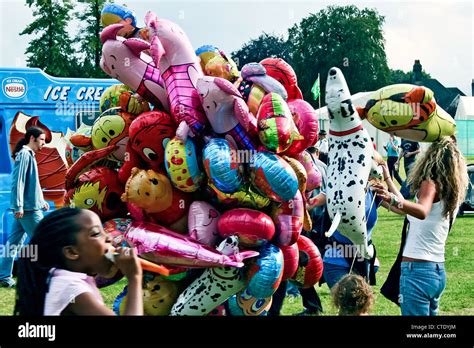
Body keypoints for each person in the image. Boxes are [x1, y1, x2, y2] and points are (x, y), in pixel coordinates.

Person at [372, 136, 468, 316]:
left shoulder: (430, 182)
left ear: (431, 157)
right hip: (436, 271)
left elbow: (421, 211)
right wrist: (386, 184)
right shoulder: (451, 192)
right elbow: (407, 210)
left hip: (417, 271)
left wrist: (391, 198)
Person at [14, 207, 143, 316]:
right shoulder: (70, 287)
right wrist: (134, 278)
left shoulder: (61, 280)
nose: (109, 237)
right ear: (72, 252)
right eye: (96, 233)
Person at [0, 127, 48, 288]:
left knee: (12, 244)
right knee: (45, 241)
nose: (44, 142)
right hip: (28, 210)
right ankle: (45, 276)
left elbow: (33, 183)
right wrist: (18, 206)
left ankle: (3, 277)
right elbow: (17, 182)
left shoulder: (28, 155)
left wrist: (42, 201)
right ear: (33, 138)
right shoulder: (24, 155)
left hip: (29, 208)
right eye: (42, 139)